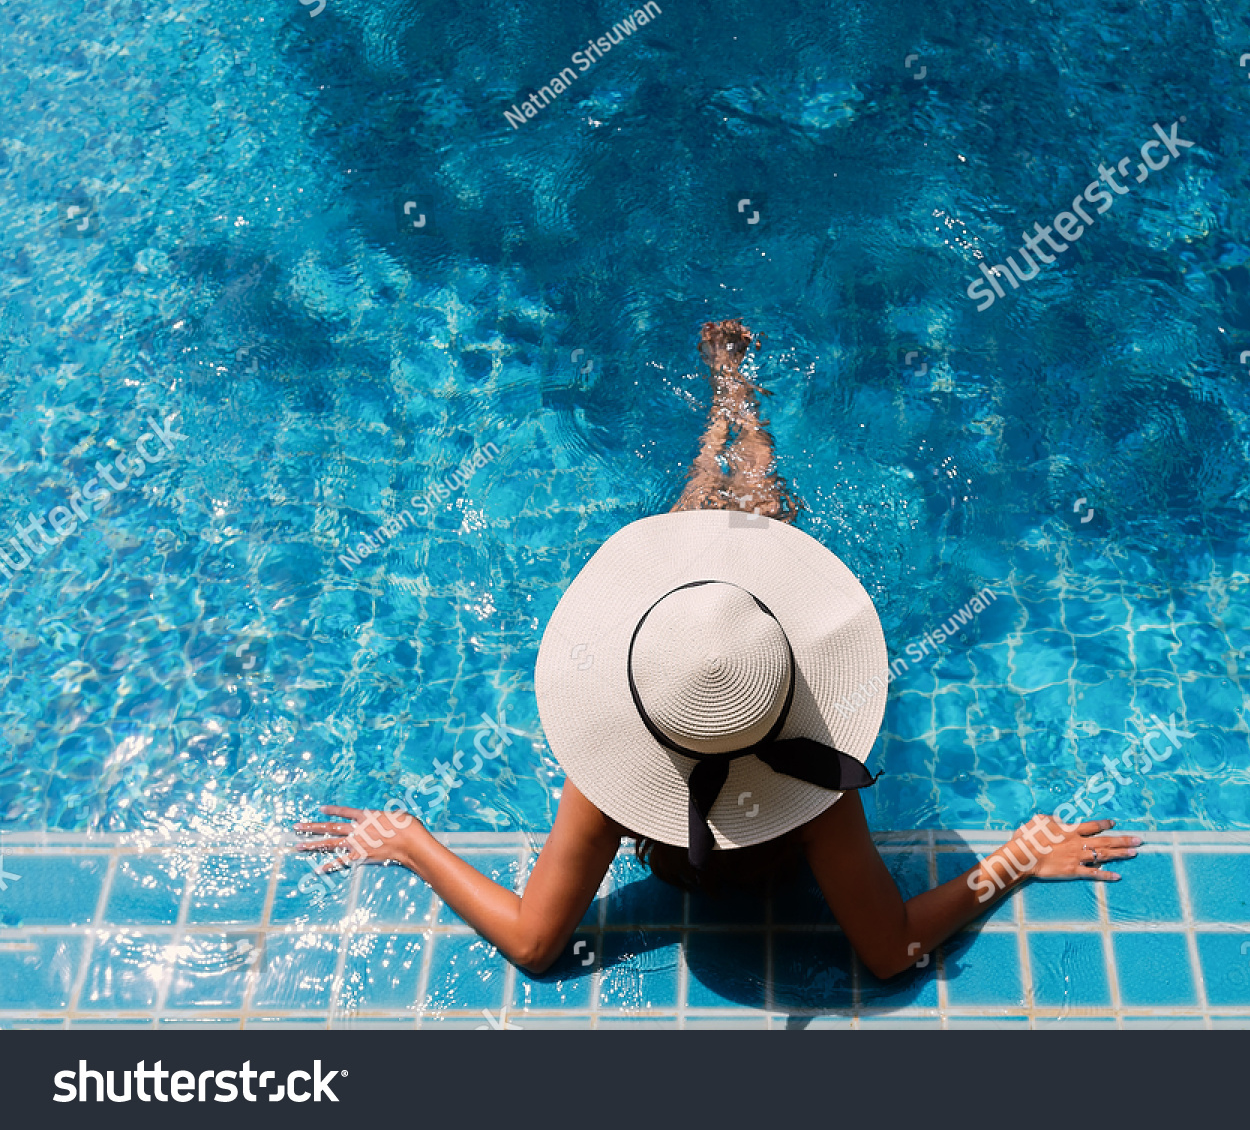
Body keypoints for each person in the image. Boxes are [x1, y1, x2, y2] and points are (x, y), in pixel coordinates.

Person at [296, 320, 1142, 979]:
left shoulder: (605, 782)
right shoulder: (818, 779)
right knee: (746, 550)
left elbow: (533, 942)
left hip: (695, 700)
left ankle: (725, 409)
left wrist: (411, 841)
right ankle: (739, 402)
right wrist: (1016, 857)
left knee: (698, 577)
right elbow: (890, 951)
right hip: (757, 703)